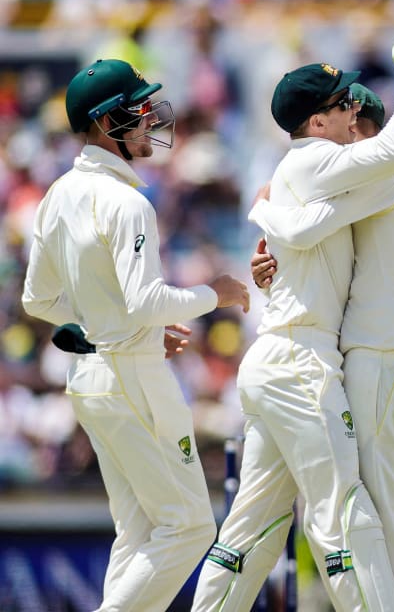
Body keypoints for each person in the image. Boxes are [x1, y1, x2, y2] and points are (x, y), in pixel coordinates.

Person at [193, 22, 394, 612]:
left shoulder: (307, 174)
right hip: (302, 362)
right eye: (342, 103)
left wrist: (269, 218)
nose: (352, 108)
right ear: (318, 121)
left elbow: (307, 227)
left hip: (275, 362)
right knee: (341, 512)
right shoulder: (314, 160)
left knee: (251, 527)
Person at [21, 58, 250, 612]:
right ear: (107, 122)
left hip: (95, 376)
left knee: (141, 529)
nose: (150, 119)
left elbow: (38, 299)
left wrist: (114, 329)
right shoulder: (127, 202)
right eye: (138, 109)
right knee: (191, 528)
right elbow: (145, 300)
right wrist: (214, 295)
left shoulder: (59, 194)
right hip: (132, 378)